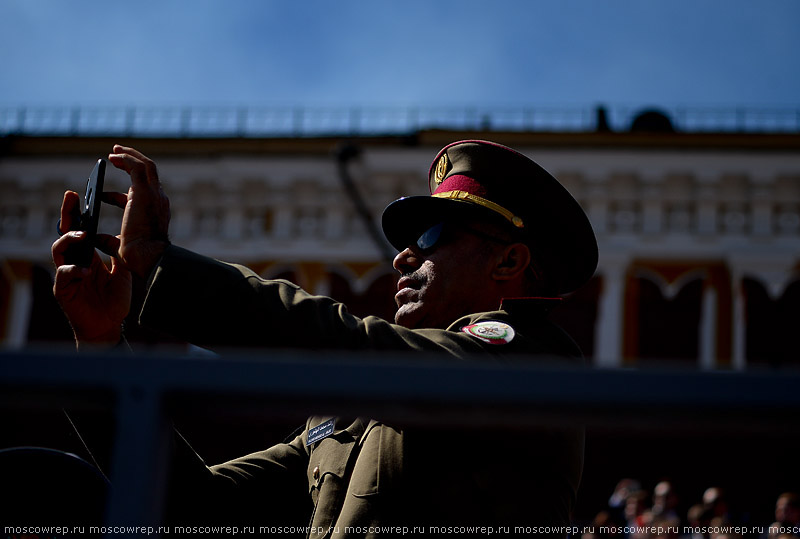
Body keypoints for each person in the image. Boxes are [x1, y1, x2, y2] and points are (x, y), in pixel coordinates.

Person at [52, 140, 598, 536]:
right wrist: (100, 344)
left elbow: (354, 345)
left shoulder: (533, 359)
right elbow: (196, 505)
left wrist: (159, 265)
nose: (403, 256)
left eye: (431, 235)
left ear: (509, 259)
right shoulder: (347, 415)